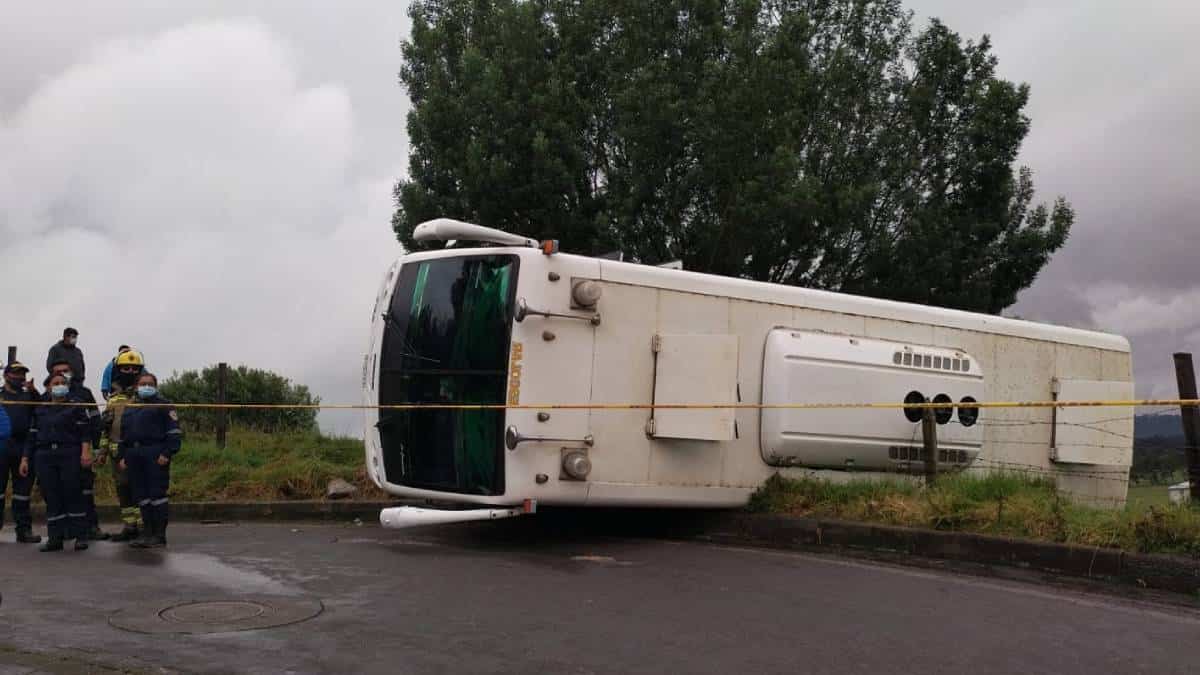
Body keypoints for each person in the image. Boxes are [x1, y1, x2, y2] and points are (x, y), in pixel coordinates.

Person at [21, 372, 94, 552]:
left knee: (73, 493)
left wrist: (85, 452)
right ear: (48, 387)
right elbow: (31, 437)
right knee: (51, 495)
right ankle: (55, 537)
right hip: (44, 455)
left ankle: (80, 536)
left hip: (69, 453)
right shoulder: (40, 409)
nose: (60, 385)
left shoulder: (76, 406)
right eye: (56, 383)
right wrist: (25, 459)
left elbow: (85, 433)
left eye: (63, 383)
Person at [119, 372, 181, 548]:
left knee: (157, 494)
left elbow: (174, 432)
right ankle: (147, 533)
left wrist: (167, 453)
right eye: (142, 384)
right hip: (134, 454)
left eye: (150, 384)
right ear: (136, 387)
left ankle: (159, 535)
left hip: (155, 452)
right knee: (142, 496)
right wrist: (123, 456)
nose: (146, 387)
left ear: (155, 387)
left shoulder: (164, 405)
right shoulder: (130, 407)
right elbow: (123, 435)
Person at [48, 359, 106, 541]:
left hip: (82, 450)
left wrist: (95, 448)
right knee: (61, 492)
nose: (62, 374)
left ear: (71, 372)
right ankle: (67, 530)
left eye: (65, 371)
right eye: (58, 372)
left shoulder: (84, 393)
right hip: (57, 453)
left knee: (85, 490)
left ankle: (92, 527)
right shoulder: (47, 395)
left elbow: (95, 421)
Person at [100, 349, 147, 540]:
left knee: (139, 489)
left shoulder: (144, 396)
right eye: (126, 368)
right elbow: (107, 429)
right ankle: (130, 526)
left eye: (134, 369)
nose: (130, 372)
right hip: (116, 454)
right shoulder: (112, 399)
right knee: (123, 490)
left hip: (138, 452)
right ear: (118, 370)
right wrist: (102, 451)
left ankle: (144, 528)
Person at [0, 362, 42, 543]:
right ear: (6, 375)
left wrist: (34, 392)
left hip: (23, 448)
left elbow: (43, 409)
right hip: (1, 447)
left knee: (22, 493)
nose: (20, 377)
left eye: (22, 374)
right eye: (16, 373)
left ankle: (24, 530)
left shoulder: (29, 396)